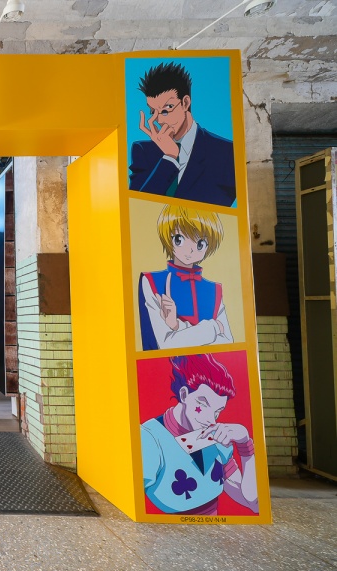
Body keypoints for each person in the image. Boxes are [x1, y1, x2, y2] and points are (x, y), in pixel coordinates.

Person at [141, 354, 258, 515]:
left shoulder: (217, 437)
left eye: (217, 411)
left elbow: (253, 502)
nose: (211, 420)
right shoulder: (150, 437)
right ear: (184, 395)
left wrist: (245, 445)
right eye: (203, 404)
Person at [129, 62, 236, 207]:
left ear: (185, 103)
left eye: (166, 109)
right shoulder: (143, 151)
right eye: (153, 111)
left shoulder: (226, 152)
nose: (159, 120)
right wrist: (169, 158)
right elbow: (138, 208)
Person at [138, 204, 232, 351]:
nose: (190, 250)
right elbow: (167, 344)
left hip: (210, 365)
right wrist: (214, 327)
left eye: (200, 243)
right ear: (169, 238)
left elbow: (227, 342)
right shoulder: (152, 281)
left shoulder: (214, 289)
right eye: (179, 239)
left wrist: (177, 326)